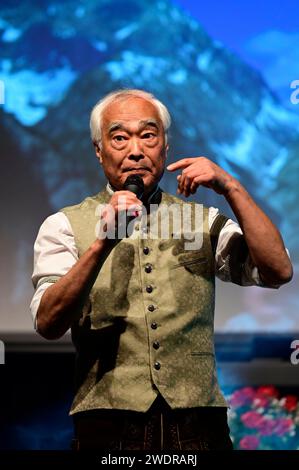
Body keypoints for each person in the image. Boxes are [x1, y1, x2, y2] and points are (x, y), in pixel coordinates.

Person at [30, 89, 293, 451]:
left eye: (148, 135)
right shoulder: (63, 225)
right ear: (98, 150)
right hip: (108, 427)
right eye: (120, 137)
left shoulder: (201, 221)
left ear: (165, 147)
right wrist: (102, 243)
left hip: (199, 423)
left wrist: (230, 187)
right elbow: (48, 323)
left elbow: (278, 271)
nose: (135, 150)